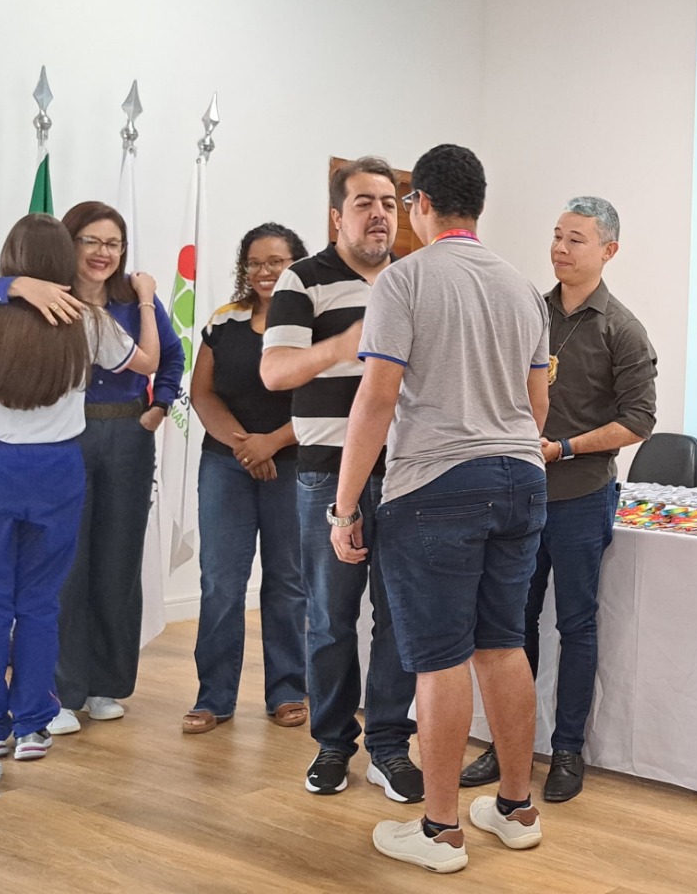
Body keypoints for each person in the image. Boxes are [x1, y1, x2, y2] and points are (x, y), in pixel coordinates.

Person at [331, 143, 550, 874]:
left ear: (419, 203)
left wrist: (344, 507)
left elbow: (377, 397)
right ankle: (516, 810)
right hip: (520, 478)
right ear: (477, 205)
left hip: (436, 487)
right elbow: (537, 404)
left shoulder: (405, 279)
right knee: (503, 645)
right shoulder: (522, 287)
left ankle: (441, 830)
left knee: (441, 658)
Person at [0, 201, 184, 735]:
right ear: (66, 252)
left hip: (4, 462)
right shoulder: (83, 318)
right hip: (61, 458)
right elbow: (146, 361)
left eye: (113, 243)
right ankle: (40, 712)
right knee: (46, 595)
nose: (103, 252)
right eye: (91, 241)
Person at [461, 197, 656, 803]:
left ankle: (567, 750)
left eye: (576, 239)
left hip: (579, 498)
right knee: (510, 626)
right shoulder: (528, 309)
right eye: (556, 236)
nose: (560, 249)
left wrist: (565, 448)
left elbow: (639, 421)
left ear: (608, 251)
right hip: (518, 494)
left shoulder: (622, 329)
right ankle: (508, 747)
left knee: (575, 625)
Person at [260, 157, 420, 802]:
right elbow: (275, 372)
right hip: (326, 477)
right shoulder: (303, 279)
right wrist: (344, 343)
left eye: (389, 203)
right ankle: (332, 743)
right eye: (364, 203)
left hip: (406, 475)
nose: (380, 214)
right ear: (336, 216)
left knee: (399, 618)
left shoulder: (412, 278)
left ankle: (389, 746)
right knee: (329, 618)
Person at [182, 223, 309, 734]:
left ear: (296, 264)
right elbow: (202, 393)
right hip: (226, 464)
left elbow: (328, 402)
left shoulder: (313, 323)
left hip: (293, 465)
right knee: (220, 582)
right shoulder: (224, 319)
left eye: (276, 261)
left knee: (288, 582)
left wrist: (271, 443)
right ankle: (213, 698)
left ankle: (288, 690)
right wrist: (246, 447)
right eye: (255, 262)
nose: (264, 271)